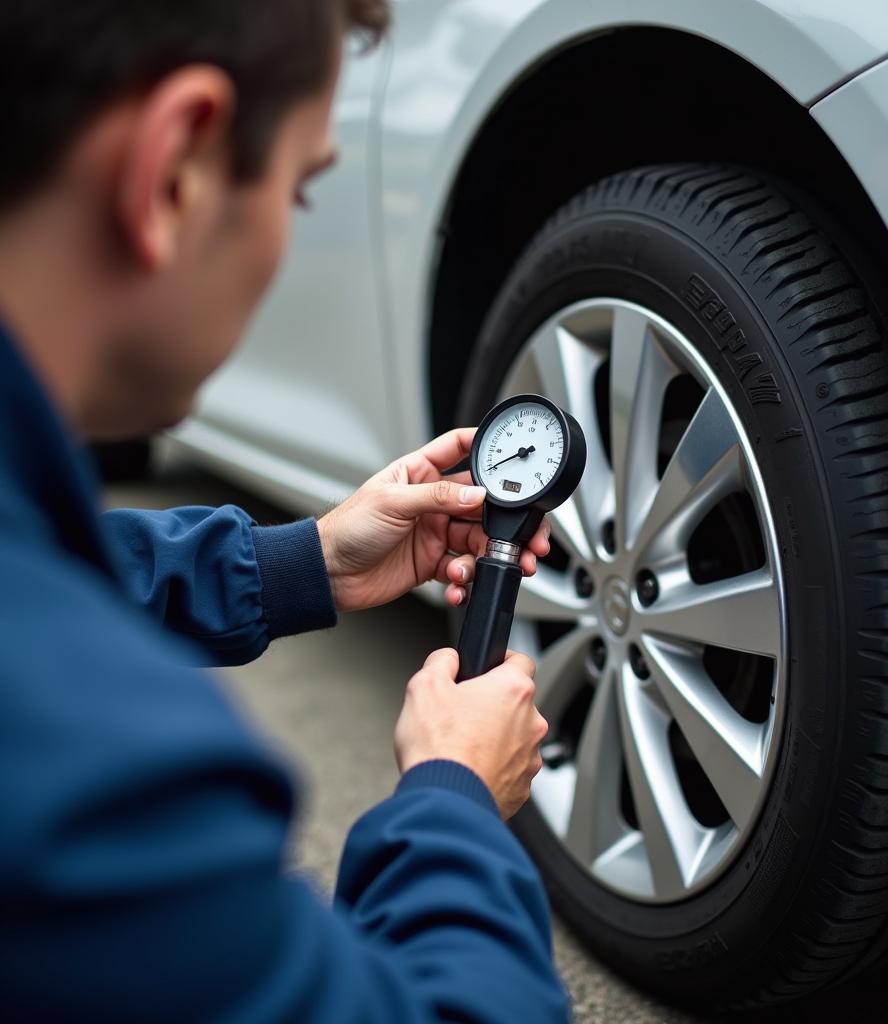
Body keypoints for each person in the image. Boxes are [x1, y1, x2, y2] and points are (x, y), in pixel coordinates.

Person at [0, 1, 570, 1020]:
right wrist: (451, 803)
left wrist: (301, 563)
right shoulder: (105, 779)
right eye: (301, 191)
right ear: (174, 169)